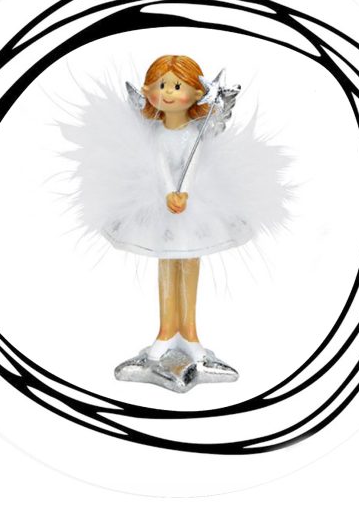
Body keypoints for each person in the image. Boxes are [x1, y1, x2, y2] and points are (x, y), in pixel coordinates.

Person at [63, 54, 290, 365]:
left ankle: (190, 334)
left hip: (192, 210)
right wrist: (170, 192)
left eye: (177, 86)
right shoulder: (157, 134)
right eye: (161, 85)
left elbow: (193, 166)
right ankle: (166, 332)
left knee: (189, 264)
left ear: (197, 94)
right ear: (148, 91)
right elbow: (159, 165)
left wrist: (184, 194)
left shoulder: (194, 134)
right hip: (163, 209)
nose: (168, 92)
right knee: (166, 265)